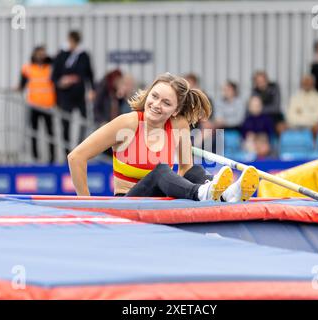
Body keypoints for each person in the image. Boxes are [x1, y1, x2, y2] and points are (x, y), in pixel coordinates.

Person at [68, 73, 259, 202]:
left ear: (175, 110)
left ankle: (226, 194)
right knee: (161, 171)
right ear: (148, 94)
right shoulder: (127, 123)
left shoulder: (179, 125)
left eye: (166, 103)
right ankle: (202, 193)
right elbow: (76, 157)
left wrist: (183, 189)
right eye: (154, 96)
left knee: (196, 170)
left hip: (159, 202)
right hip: (128, 204)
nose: (156, 105)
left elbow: (186, 168)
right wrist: (88, 204)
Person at [52, 30, 96, 155]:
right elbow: (54, 76)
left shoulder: (83, 55)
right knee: (65, 124)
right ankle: (67, 153)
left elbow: (89, 74)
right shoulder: (62, 54)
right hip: (65, 96)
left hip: (79, 95)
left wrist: (92, 89)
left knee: (84, 121)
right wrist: (61, 82)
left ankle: (80, 149)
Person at [19, 45, 56, 163]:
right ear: (34, 54)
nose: (41, 55)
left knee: (50, 134)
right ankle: (35, 158)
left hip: (48, 106)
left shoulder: (50, 68)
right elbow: (21, 85)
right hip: (33, 106)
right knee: (34, 132)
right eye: (39, 53)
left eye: (43, 53)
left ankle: (52, 159)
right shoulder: (27, 68)